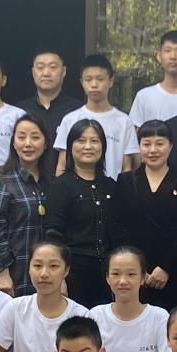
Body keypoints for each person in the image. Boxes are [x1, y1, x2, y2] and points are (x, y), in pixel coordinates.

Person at [114, 119, 177, 310]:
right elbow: (118, 226)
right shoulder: (125, 181)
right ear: (139, 146)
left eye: (159, 144)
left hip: (173, 271)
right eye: (146, 144)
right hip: (133, 274)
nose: (153, 150)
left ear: (171, 145)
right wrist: (137, 269)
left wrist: (166, 267)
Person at [0, 240, 88, 352]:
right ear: (28, 269)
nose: (44, 274)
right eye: (37, 265)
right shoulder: (16, 308)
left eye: (53, 266)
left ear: (66, 270)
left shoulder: (81, 315)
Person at [44, 118, 121, 308]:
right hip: (73, 273)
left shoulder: (112, 186)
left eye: (94, 141)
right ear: (70, 146)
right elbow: (53, 235)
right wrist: (60, 278)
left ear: (103, 147)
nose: (88, 146)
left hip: (108, 274)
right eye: (81, 140)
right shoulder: (61, 186)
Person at [87, 247, 173, 352]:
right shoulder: (95, 315)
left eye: (131, 274)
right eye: (116, 274)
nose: (123, 281)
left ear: (143, 277)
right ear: (107, 277)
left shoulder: (159, 317)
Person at [0, 113, 54, 296]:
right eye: (21, 137)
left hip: (47, 273)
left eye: (35, 137)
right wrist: (3, 273)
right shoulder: (3, 182)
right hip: (15, 274)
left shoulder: (52, 183)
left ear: (46, 143)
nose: (28, 143)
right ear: (14, 144)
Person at [54, 54, 139, 178]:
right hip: (76, 188)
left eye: (100, 79)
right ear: (82, 82)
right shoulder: (70, 120)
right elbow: (62, 165)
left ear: (111, 81)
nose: (94, 84)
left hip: (114, 188)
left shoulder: (124, 121)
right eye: (88, 79)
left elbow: (127, 167)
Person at [17, 49, 82, 136]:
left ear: (64, 71)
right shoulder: (20, 111)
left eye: (53, 67)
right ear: (33, 72)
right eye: (40, 67)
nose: (46, 73)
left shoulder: (78, 110)